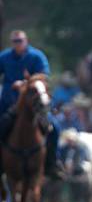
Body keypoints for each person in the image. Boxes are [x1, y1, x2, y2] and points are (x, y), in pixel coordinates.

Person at [0, 30, 62, 178]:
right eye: (15, 41)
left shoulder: (36, 56)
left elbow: (43, 76)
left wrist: (25, 83)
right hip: (9, 103)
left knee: (54, 129)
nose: (18, 44)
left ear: (26, 41)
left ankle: (51, 164)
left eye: (20, 40)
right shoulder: (4, 57)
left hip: (34, 106)